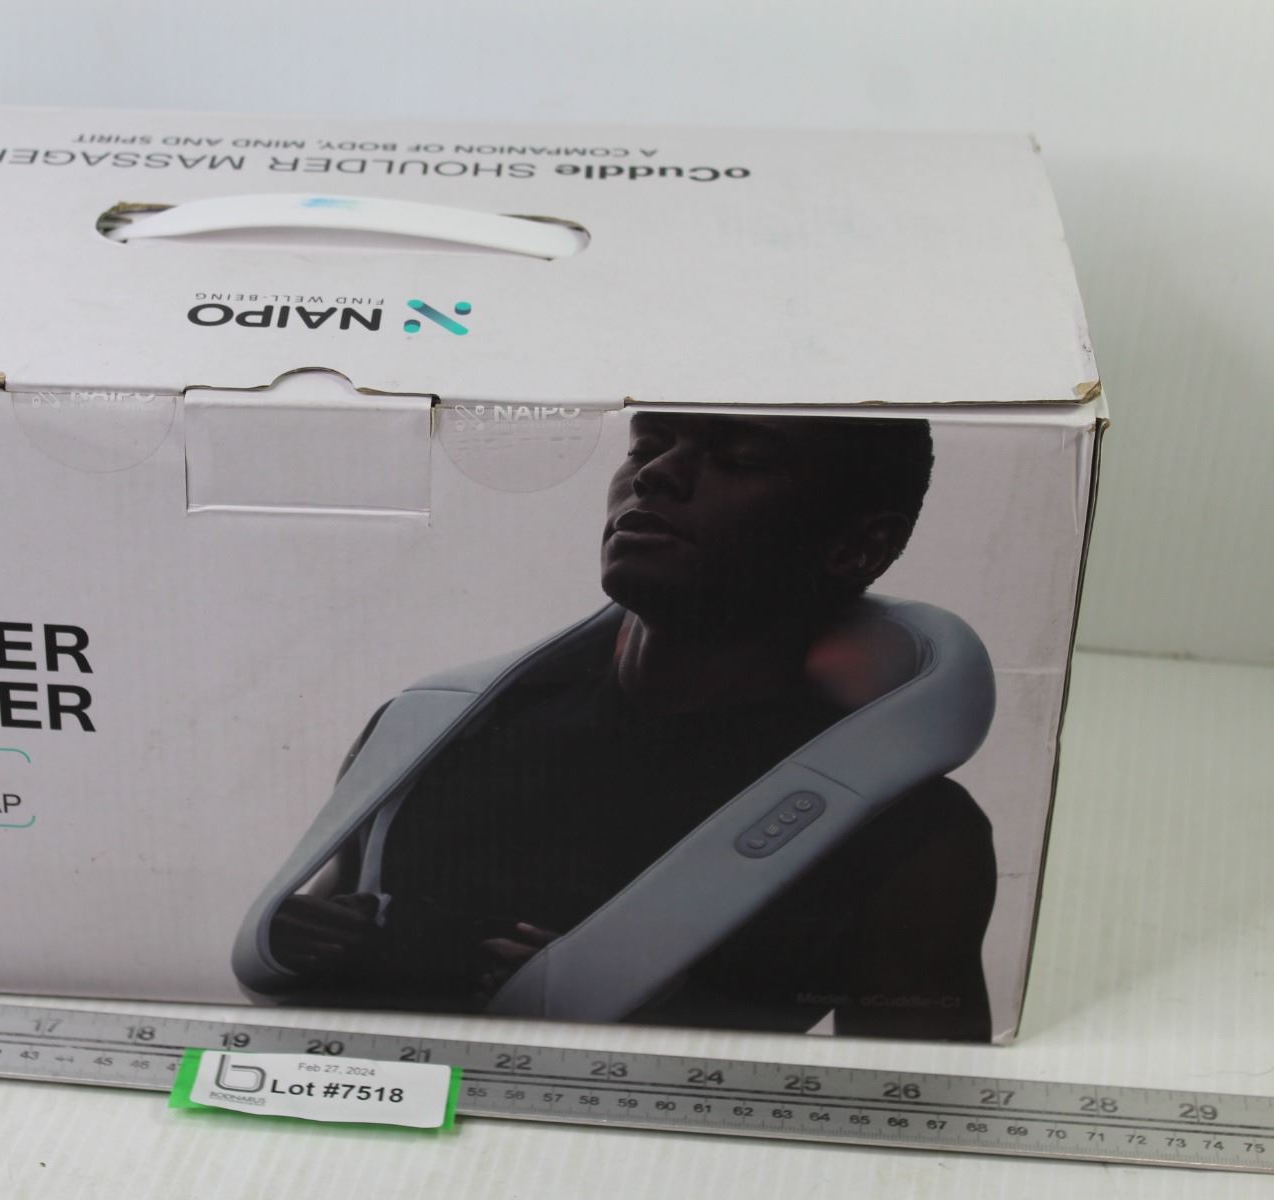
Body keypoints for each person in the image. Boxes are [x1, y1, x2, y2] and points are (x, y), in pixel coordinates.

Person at [265, 411, 997, 1040]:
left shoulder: (909, 836)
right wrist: (305, 940)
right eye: (646, 446)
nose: (657, 476)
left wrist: (664, 1018)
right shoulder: (432, 726)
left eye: (740, 460)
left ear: (858, 547)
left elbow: (913, 1111)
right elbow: (323, 935)